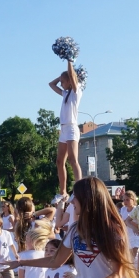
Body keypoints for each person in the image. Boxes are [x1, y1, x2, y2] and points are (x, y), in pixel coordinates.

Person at [49, 60, 83, 203]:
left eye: (63, 81)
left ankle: (79, 189)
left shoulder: (76, 92)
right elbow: (51, 84)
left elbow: (72, 75)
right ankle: (62, 192)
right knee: (59, 161)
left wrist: (69, 61)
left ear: (70, 80)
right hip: (63, 129)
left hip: (71, 128)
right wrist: (61, 77)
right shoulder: (65, 93)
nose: (61, 83)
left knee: (73, 159)